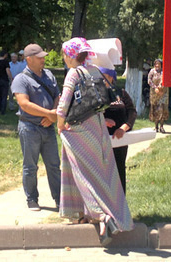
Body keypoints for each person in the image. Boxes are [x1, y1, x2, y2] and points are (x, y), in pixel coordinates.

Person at [56, 37, 133, 246]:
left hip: (78, 130)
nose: (64, 58)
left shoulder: (73, 73)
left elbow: (63, 104)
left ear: (71, 55)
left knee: (83, 174)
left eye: (65, 54)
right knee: (101, 174)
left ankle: (102, 216)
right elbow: (100, 100)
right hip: (98, 128)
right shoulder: (95, 70)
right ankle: (96, 214)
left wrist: (59, 124)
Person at [11, 44, 61, 211]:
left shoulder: (49, 75)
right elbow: (24, 103)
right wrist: (49, 114)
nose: (43, 60)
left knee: (54, 165)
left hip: (48, 127)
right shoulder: (21, 79)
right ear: (29, 59)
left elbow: (57, 96)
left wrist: (52, 114)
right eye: (40, 57)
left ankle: (60, 199)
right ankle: (32, 199)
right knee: (30, 166)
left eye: (43, 57)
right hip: (29, 127)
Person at [101, 66, 137, 195]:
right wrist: (102, 122)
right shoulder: (95, 94)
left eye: (104, 74)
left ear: (111, 76)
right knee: (103, 172)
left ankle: (120, 206)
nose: (101, 77)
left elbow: (132, 111)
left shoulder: (121, 93)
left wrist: (124, 127)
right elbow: (90, 114)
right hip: (102, 138)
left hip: (120, 139)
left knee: (119, 169)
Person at [148, 59, 169, 133]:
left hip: (163, 92)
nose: (157, 65)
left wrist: (161, 88)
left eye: (159, 64)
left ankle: (162, 127)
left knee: (163, 109)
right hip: (154, 94)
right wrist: (155, 88)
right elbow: (149, 80)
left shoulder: (164, 71)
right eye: (156, 64)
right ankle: (156, 127)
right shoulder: (152, 71)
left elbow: (165, 80)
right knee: (156, 109)